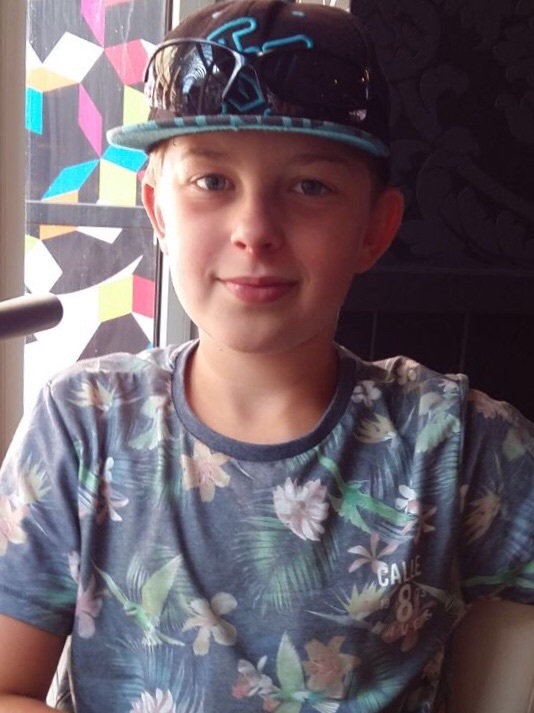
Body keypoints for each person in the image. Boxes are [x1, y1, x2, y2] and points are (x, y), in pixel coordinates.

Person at [0, 1, 533, 711]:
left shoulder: (455, 442)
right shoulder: (82, 423)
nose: (255, 228)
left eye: (310, 186)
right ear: (157, 209)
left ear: (375, 228)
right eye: (212, 182)